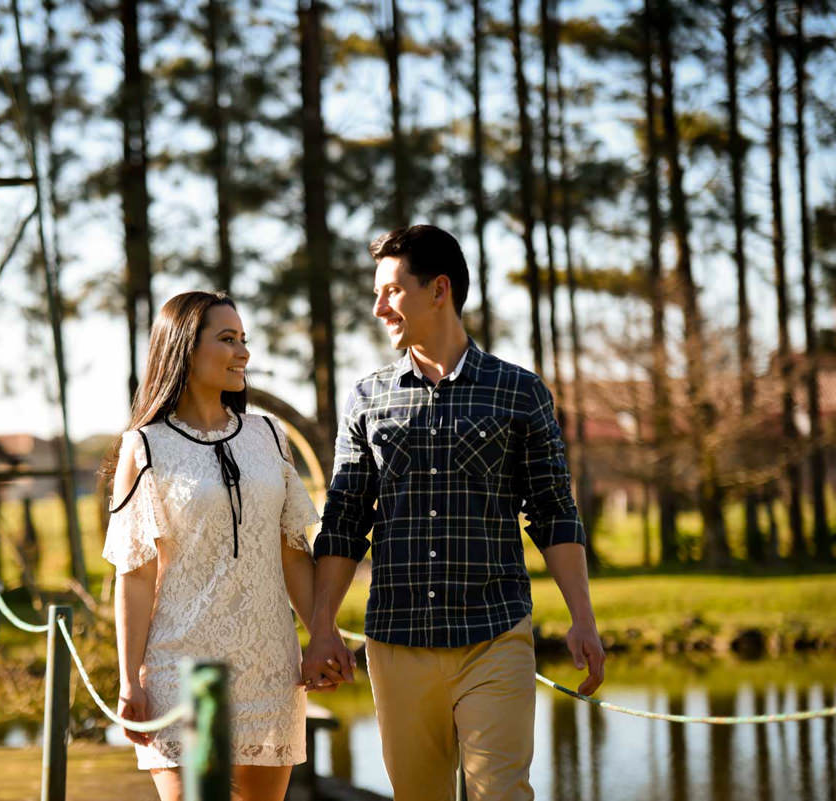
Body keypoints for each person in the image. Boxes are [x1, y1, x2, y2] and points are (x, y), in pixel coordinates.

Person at [300, 225, 606, 801]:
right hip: (397, 643)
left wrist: (582, 619)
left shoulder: (519, 393)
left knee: (502, 794)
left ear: (439, 289)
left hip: (494, 636)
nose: (379, 308)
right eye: (376, 293)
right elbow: (343, 521)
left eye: (392, 291)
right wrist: (321, 628)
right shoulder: (367, 398)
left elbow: (553, 512)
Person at [101, 290, 321, 801]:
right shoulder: (146, 445)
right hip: (186, 673)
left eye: (244, 339)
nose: (244, 352)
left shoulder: (270, 436)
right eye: (227, 339)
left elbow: (293, 553)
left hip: (270, 669)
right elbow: (135, 573)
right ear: (184, 347)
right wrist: (130, 679)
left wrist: (323, 636)